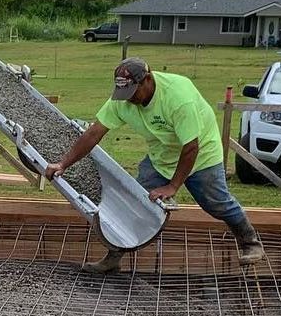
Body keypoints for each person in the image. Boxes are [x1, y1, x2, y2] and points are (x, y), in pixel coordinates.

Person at [45, 56, 264, 270]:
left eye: (132, 92)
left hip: (202, 154)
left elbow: (191, 147)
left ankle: (251, 244)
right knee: (134, 202)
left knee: (216, 203)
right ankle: (114, 256)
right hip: (162, 155)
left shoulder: (178, 97)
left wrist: (173, 186)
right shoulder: (123, 100)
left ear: (148, 79)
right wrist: (63, 164)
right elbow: (93, 133)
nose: (128, 99)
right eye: (124, 93)